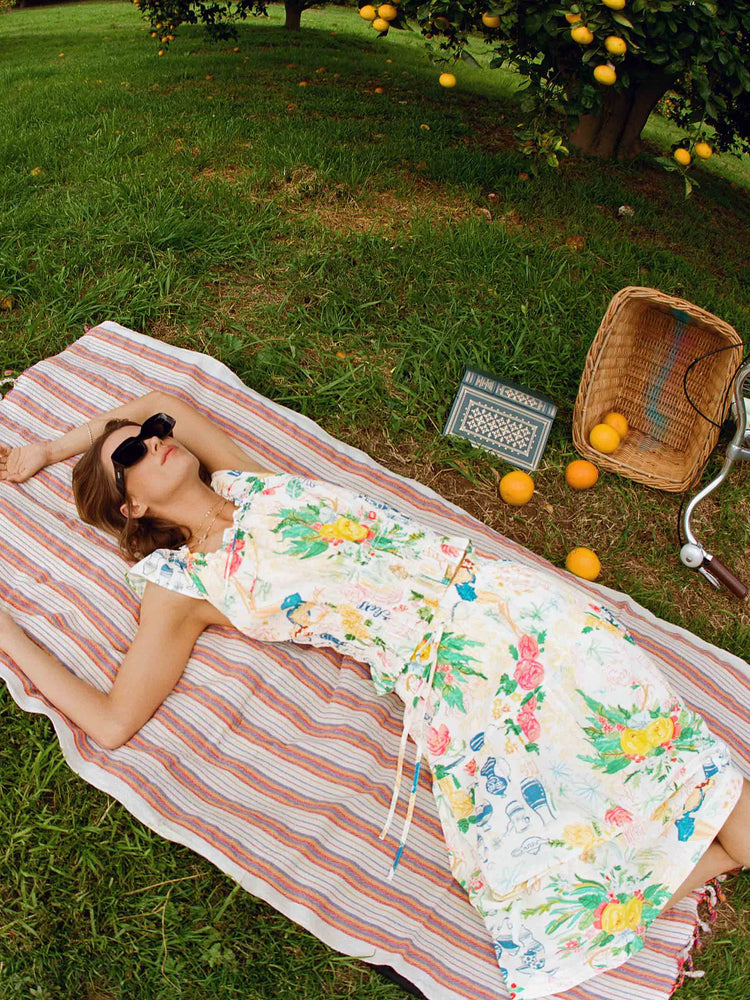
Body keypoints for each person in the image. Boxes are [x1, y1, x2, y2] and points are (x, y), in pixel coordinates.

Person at [0, 389, 747, 999]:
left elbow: (158, 399)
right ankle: (683, 843)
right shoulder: (184, 586)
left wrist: (47, 449)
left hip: (513, 608)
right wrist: (7, 630)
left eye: (154, 433)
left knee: (674, 786)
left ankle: (683, 838)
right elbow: (112, 718)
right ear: (129, 507)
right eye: (132, 452)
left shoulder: (243, 479)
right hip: (446, 675)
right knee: (527, 883)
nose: (155, 436)